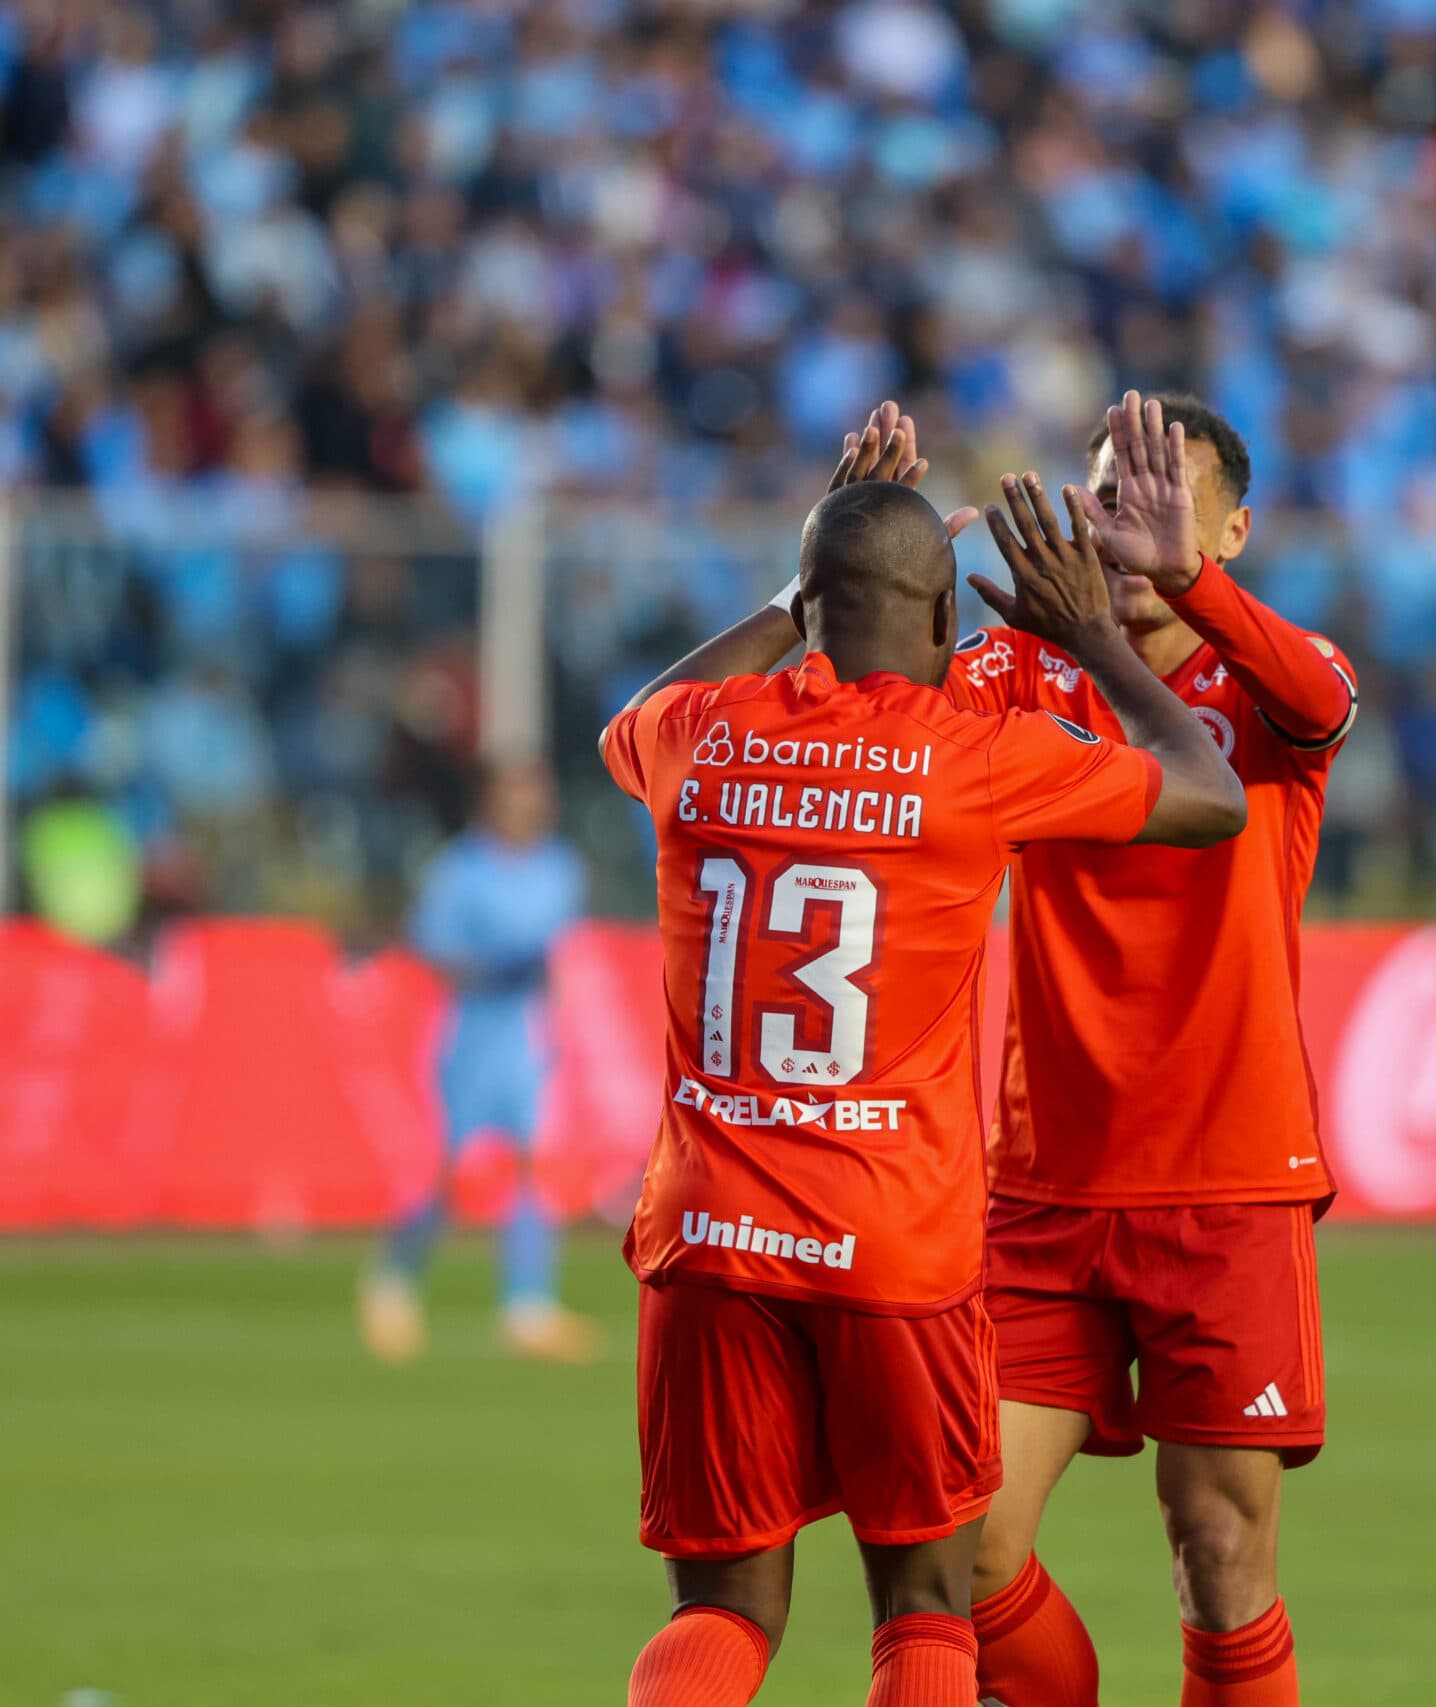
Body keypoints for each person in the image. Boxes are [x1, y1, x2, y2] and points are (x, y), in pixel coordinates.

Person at [598, 408, 1245, 1707]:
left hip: (714, 1237)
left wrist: (796, 590)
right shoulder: (971, 759)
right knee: (926, 1600)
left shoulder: (702, 737)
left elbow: (636, 712)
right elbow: (1210, 792)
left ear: (817, 603)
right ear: (951, 629)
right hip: (896, 1243)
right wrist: (1096, 641)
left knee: (725, 1605)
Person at [948, 394, 1360, 1707]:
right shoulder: (1019, 674)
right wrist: (854, 553)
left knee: (1219, 1547)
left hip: (1227, 1181)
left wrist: (1183, 578)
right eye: (1108, 491)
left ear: (1232, 525)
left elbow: (1322, 706)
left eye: (1162, 491)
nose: (1126, 516)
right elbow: (878, 708)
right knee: (963, 1546)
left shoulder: (1279, 678)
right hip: (1045, 1179)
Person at [358, 756, 601, 1365]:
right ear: (491, 802)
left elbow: (557, 948)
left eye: (538, 793)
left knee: (532, 1166)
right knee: (444, 1169)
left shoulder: (560, 867)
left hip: (527, 1036)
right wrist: (496, 966)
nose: (531, 806)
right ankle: (393, 1280)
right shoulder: (458, 870)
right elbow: (432, 951)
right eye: (519, 794)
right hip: (469, 1032)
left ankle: (527, 1306)